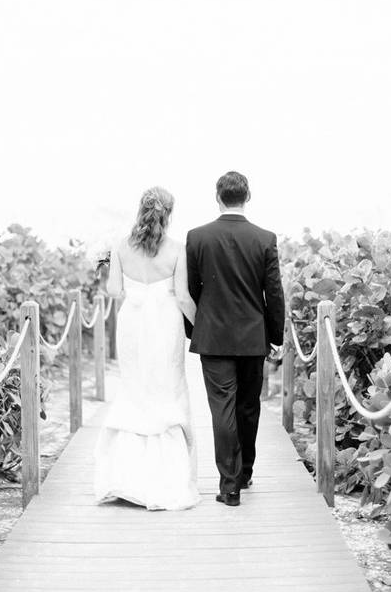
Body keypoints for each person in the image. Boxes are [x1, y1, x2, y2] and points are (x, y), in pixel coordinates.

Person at [93, 187, 202, 510]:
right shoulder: (177, 249)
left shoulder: (121, 247)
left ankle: (125, 477)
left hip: (132, 324)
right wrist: (199, 329)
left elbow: (114, 290)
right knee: (166, 388)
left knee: (134, 388)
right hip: (166, 324)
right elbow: (182, 297)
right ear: (168, 215)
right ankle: (165, 477)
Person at [185, 172, 286, 506]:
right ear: (248, 197)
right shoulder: (264, 238)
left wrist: (195, 330)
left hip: (213, 337)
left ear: (217, 197)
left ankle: (230, 486)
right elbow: (274, 292)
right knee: (248, 407)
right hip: (252, 338)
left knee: (222, 408)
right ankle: (244, 471)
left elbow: (192, 289)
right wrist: (275, 335)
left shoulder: (197, 237)